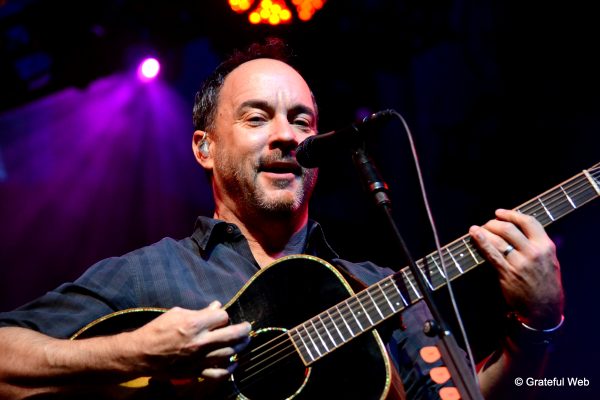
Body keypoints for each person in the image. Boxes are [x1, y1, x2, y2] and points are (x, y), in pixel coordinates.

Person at [0, 38, 564, 400]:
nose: (286, 136)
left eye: (301, 121)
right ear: (204, 148)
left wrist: (534, 326)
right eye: (256, 118)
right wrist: (136, 353)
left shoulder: (378, 285)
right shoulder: (148, 273)